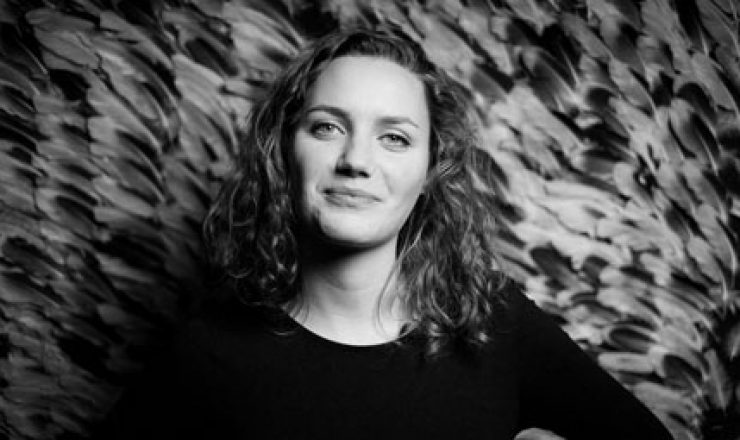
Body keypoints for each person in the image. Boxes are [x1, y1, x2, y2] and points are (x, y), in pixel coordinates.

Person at [95, 29, 674, 439]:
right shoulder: (207, 353)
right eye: (327, 127)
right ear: (283, 154)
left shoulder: (496, 324)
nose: (356, 161)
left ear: (429, 172)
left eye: (394, 138)